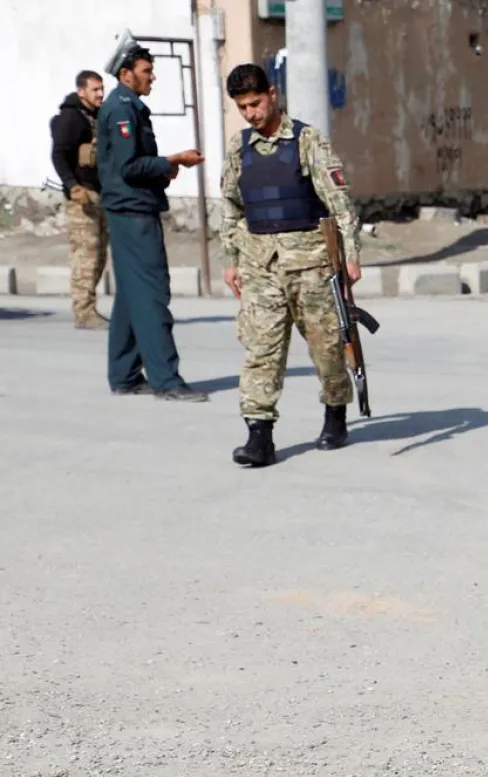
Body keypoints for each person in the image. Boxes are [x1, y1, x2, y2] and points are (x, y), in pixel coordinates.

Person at [220, 63, 361, 467]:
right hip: (260, 267)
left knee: (327, 348)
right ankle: (259, 436)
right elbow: (230, 207)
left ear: (272, 94)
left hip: (312, 265)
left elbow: (340, 204)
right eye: (242, 107)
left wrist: (350, 256)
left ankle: (336, 413)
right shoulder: (238, 147)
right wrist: (231, 259)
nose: (251, 113)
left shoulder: (307, 140)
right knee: (261, 350)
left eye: (256, 103)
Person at [96, 43, 206, 401]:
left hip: (132, 208)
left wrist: (163, 170)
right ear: (126, 74)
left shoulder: (127, 107)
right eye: (146, 71)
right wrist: (171, 160)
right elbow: (129, 167)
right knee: (152, 293)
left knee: (131, 293)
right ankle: (166, 380)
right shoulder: (122, 110)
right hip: (132, 213)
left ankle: (124, 375)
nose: (152, 76)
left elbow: (129, 165)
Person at [50, 70, 109, 330]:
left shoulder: (97, 116)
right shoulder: (70, 118)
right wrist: (72, 186)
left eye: (101, 89)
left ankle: (89, 306)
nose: (100, 94)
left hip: (100, 193)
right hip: (80, 197)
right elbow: (59, 155)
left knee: (99, 254)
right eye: (94, 89)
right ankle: (84, 312)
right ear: (81, 91)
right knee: (86, 253)